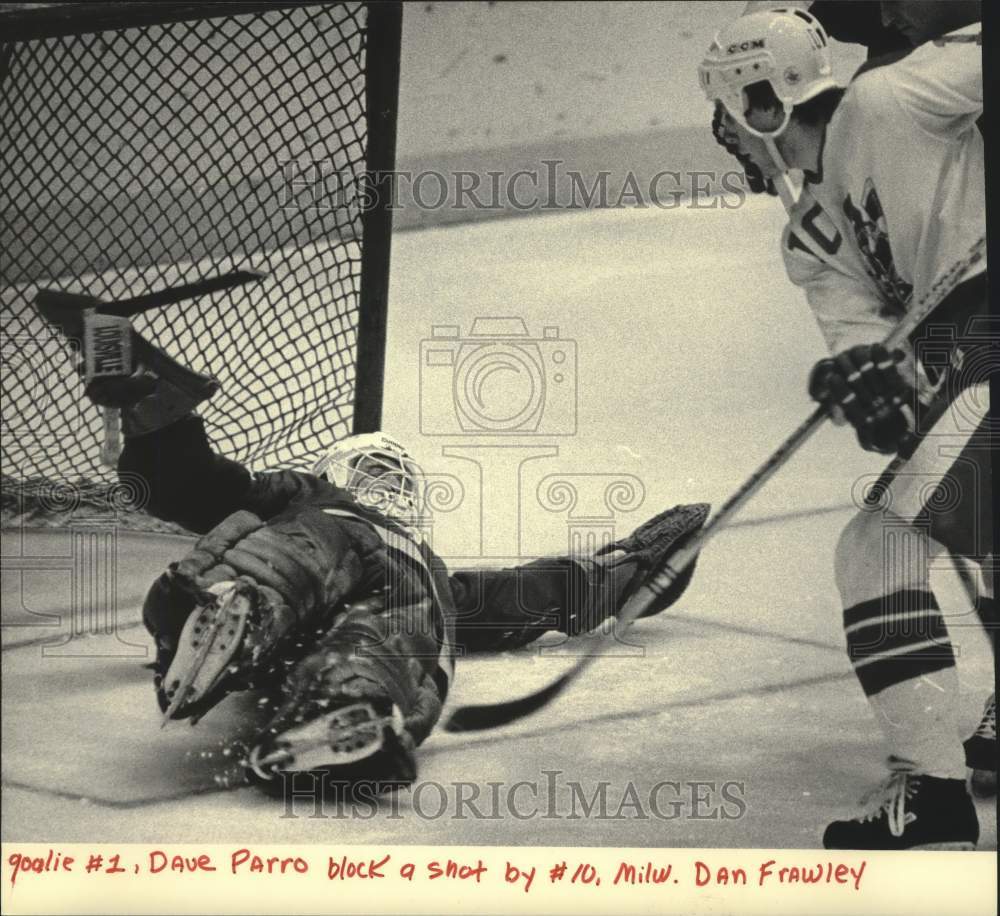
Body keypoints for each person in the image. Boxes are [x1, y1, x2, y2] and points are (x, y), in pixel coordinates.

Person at [79, 333, 708, 797]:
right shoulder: (311, 497)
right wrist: (154, 411)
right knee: (295, 558)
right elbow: (192, 485)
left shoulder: (428, 566)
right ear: (335, 473)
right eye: (370, 471)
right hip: (314, 542)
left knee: (396, 636)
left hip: (392, 593)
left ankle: (339, 719)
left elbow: (533, 595)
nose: (384, 486)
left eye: (395, 478)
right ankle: (227, 613)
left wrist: (631, 572)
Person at [698, 8, 992, 848]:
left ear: (765, 100)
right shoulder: (813, 237)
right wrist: (874, 385)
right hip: (971, 361)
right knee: (951, 496)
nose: (730, 140)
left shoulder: (890, 101)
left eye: (731, 114)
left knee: (877, 550)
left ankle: (930, 796)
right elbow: (881, 363)